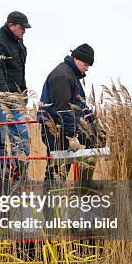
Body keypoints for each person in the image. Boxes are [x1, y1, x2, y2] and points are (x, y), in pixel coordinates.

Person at [37, 43, 105, 183]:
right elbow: (63, 109)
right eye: (85, 65)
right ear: (76, 59)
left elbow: (79, 104)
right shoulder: (62, 76)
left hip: (70, 125)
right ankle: (50, 200)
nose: (86, 69)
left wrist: (92, 122)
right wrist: (71, 136)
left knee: (98, 138)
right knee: (57, 171)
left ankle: (84, 185)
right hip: (56, 128)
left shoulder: (71, 75)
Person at [0, 11, 31, 174]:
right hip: (1, 100)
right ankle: (0, 177)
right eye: (22, 27)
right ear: (11, 25)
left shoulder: (18, 41)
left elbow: (20, 70)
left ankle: (20, 177)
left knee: (23, 138)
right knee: (0, 139)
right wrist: (5, 100)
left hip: (16, 98)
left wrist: (22, 94)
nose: (24, 31)